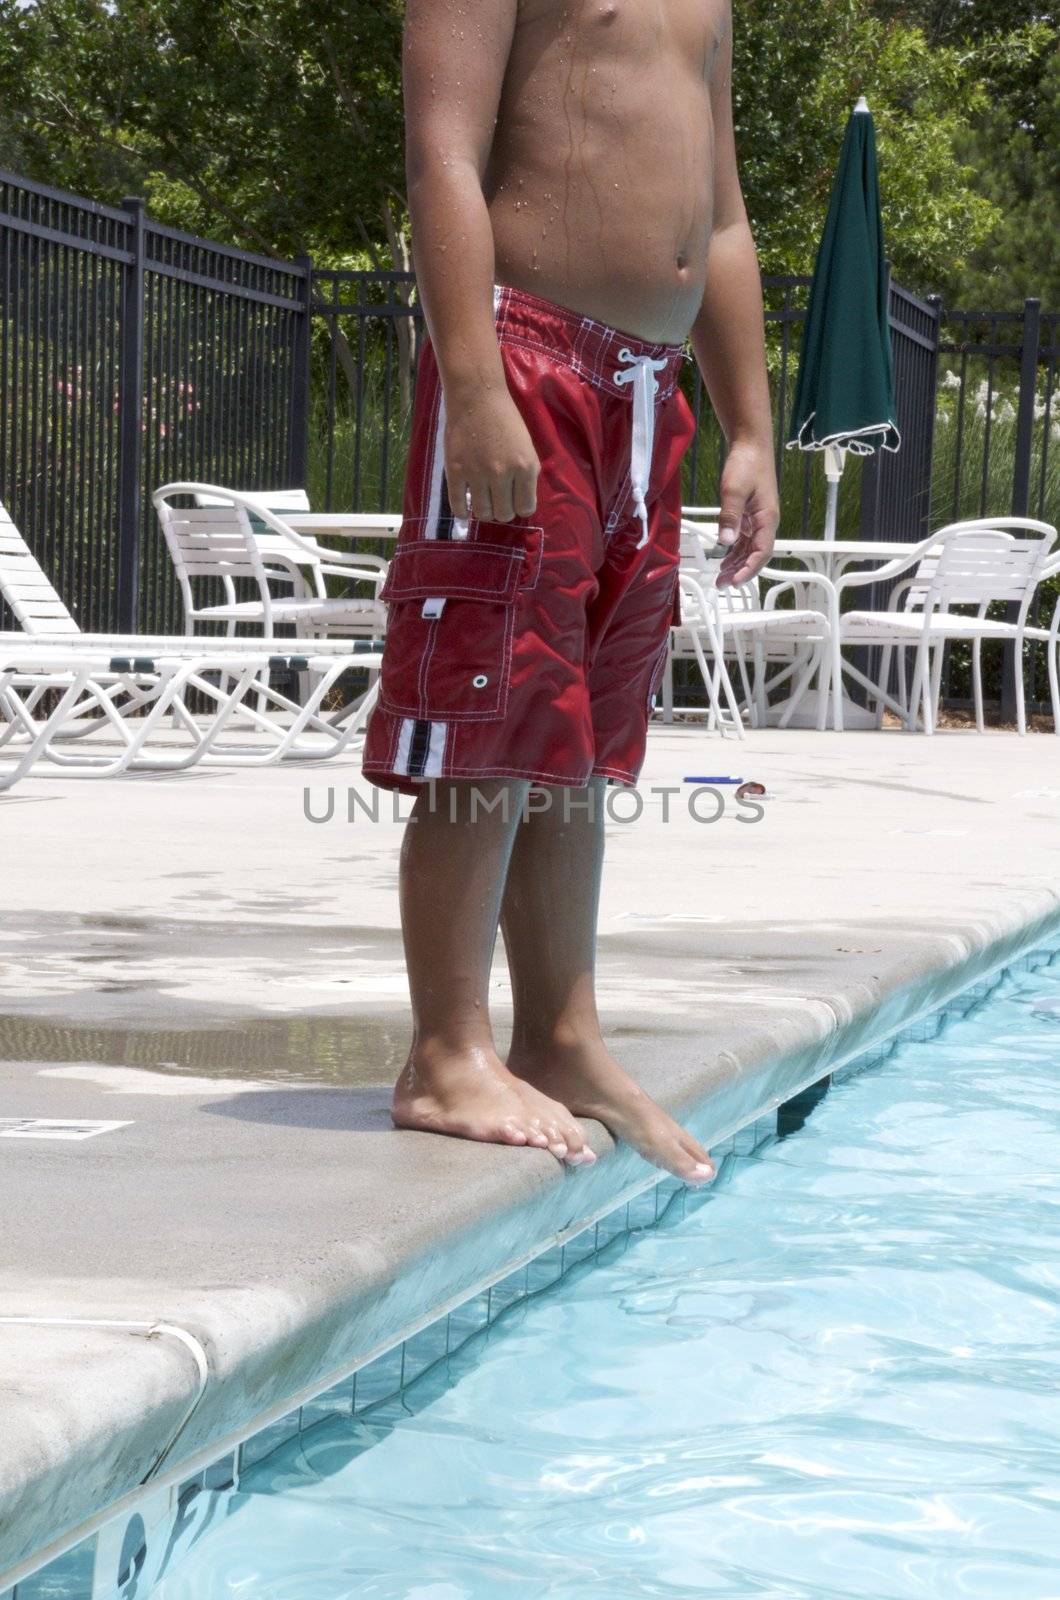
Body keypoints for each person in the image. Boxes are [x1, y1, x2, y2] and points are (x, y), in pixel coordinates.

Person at [362, 0, 779, 1183]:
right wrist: (472, 377)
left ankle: (561, 1033)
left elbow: (726, 217)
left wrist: (750, 422)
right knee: (490, 713)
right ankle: (446, 1051)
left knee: (581, 736)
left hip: (645, 391)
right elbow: (440, 151)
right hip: (524, 353)